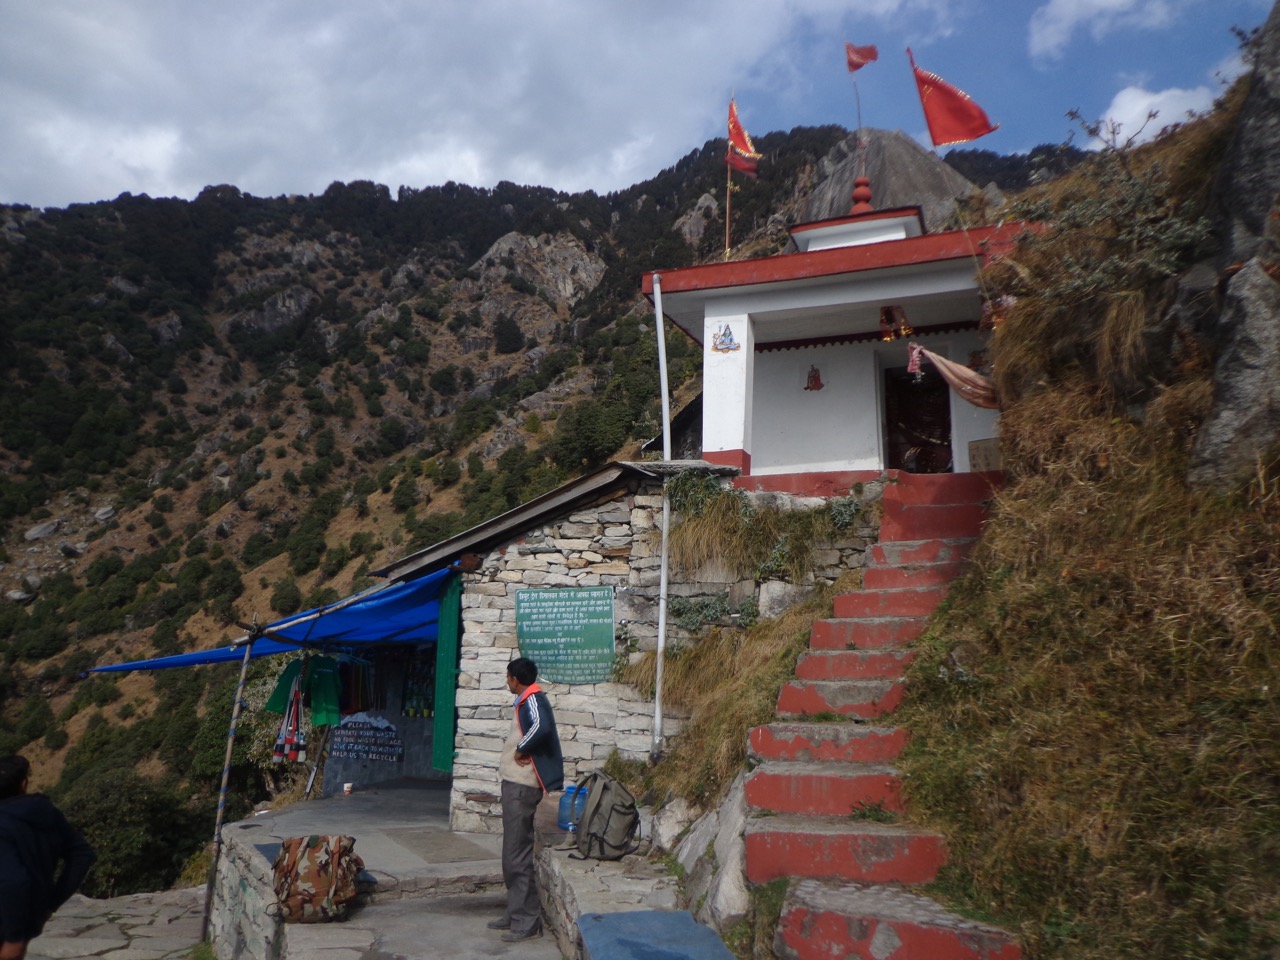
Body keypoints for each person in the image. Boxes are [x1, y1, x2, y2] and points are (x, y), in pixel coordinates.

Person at [487, 657, 563, 943]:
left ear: (515, 679)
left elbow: (541, 727)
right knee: (511, 853)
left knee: (517, 855)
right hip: (515, 786)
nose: (507, 682)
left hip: (522, 786)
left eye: (508, 677)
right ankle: (515, 912)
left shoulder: (533, 699)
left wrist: (521, 748)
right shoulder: (525, 699)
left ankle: (526, 921)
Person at [0, 755, 96, 960]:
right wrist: (50, 903)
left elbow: (13, 882)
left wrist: (13, 938)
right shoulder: (46, 812)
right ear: (23, 784)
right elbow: (82, 854)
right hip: (28, 918)